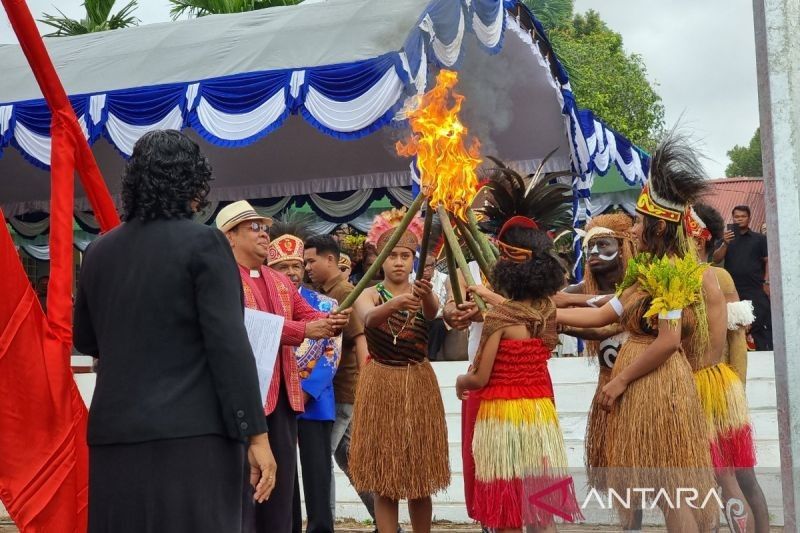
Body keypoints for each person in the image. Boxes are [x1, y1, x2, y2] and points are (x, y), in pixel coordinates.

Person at [73, 130, 276, 533]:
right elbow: (229, 347)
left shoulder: (99, 251)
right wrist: (256, 435)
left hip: (116, 436)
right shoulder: (205, 244)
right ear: (194, 185)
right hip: (193, 437)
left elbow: (85, 339)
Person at [556, 133, 717, 532]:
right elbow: (601, 315)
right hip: (644, 385)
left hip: (657, 383)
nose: (634, 230)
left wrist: (619, 381)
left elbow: (667, 340)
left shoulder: (673, 274)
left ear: (658, 230)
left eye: (641, 222)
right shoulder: (644, 275)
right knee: (667, 491)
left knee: (672, 488)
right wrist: (547, 315)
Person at [216, 200, 350, 533]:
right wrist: (306, 330)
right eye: (254, 228)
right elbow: (245, 324)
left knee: (282, 487)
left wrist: (331, 319)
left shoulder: (279, 282)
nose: (264, 233)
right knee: (246, 486)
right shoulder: (221, 279)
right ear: (230, 236)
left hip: (285, 400)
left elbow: (308, 314)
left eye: (264, 227)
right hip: (243, 398)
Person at [457, 217, 583, 532]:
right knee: (541, 505)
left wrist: (463, 381)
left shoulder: (499, 318)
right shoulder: (544, 314)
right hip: (539, 415)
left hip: (502, 418)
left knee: (507, 505)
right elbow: (592, 316)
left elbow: (480, 377)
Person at [350, 227, 449, 533]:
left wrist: (425, 291)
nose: (398, 262)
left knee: (420, 478)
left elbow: (433, 313)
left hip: (417, 381)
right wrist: (396, 303)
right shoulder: (368, 292)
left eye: (405, 256)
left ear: (413, 260)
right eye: (392, 256)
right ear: (380, 260)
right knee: (385, 479)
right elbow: (368, 318)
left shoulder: (420, 292)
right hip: (381, 382)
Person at [692, 203, 770, 533]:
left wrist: (737, 385)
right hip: (702, 387)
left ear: (698, 238)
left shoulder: (719, 276)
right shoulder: (679, 277)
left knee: (737, 475)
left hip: (720, 388)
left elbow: (737, 338)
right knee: (726, 476)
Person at [561, 213, 637, 523]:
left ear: (622, 247)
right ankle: (632, 527)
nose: (593, 254)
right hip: (608, 388)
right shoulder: (577, 292)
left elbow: (603, 324)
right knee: (620, 469)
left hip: (643, 387)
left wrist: (557, 315)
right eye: (589, 247)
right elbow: (541, 305)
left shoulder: (638, 285)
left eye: (602, 245)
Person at [267, 230, 340, 533]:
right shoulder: (265, 308)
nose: (293, 273)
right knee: (285, 475)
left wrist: (305, 391)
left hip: (315, 401)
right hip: (279, 401)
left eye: (297, 266)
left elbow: (331, 355)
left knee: (317, 471)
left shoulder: (325, 305)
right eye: (284, 267)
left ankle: (321, 527)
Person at [302, 234, 374, 526]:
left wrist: (364, 383)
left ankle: (324, 524)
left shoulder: (343, 291)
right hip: (335, 390)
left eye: (311, 260)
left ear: (329, 259)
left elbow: (359, 338)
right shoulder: (321, 292)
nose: (307, 267)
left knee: (321, 460)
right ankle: (388, 522)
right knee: (349, 462)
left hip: (344, 389)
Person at [713, 205, 772, 350]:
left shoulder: (759, 239)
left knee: (759, 320)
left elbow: (768, 261)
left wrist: (767, 281)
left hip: (755, 287)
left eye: (743, 216)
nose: (739, 219)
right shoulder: (726, 239)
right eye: (736, 217)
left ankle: (763, 351)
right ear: (732, 218)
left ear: (749, 218)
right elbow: (715, 259)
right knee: (735, 323)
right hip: (733, 290)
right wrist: (725, 243)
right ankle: (739, 351)